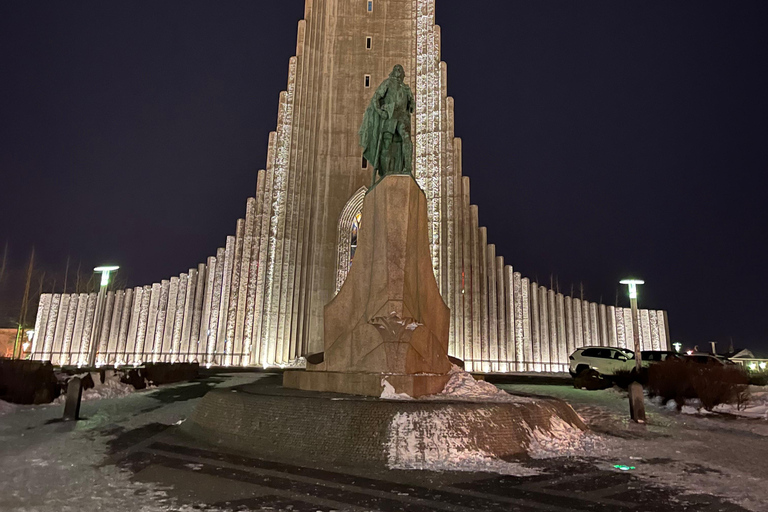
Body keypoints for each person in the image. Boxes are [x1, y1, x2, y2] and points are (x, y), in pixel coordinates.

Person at [359, 64, 415, 186]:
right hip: (390, 116)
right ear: (393, 72)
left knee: (406, 138)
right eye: (396, 69)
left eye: (401, 70)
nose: (399, 71)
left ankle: (407, 167)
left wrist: (411, 102)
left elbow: (411, 106)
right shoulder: (388, 83)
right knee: (387, 143)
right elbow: (376, 99)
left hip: (402, 117)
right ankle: (386, 171)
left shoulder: (406, 88)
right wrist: (380, 111)